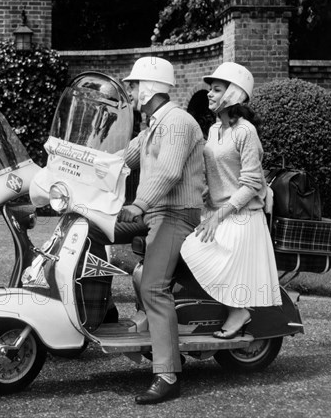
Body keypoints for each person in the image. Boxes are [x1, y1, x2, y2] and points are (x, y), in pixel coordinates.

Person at [85, 57, 204, 405]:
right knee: (93, 231)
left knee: (153, 287)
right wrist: (74, 170)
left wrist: (137, 204)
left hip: (176, 215)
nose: (133, 91)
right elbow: (119, 161)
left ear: (152, 87)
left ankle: (168, 374)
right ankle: (100, 308)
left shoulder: (178, 123)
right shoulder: (152, 126)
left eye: (137, 85)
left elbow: (167, 173)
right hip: (154, 213)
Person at [180, 62, 282, 340]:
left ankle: (238, 311)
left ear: (233, 93)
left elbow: (251, 183)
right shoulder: (214, 129)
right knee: (182, 252)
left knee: (194, 252)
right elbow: (212, 174)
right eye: (210, 89)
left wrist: (219, 214)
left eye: (216, 89)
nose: (209, 94)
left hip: (241, 216)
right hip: (215, 211)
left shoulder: (246, 132)